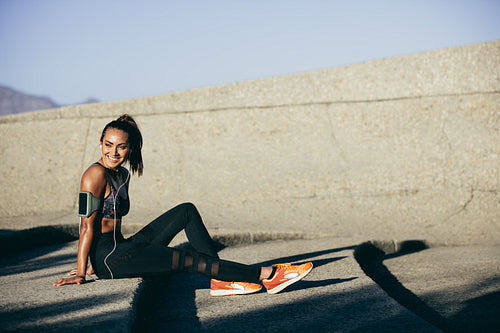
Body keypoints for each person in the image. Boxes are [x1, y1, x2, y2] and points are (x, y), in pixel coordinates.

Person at [53, 114, 312, 296]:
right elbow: (86, 226)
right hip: (110, 259)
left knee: (186, 210)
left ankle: (222, 281)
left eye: (121, 147)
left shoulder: (122, 175)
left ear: (130, 149)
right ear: (100, 143)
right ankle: (266, 274)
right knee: (187, 259)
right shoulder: (93, 175)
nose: (113, 152)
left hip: (123, 246)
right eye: (108, 145)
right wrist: (81, 269)